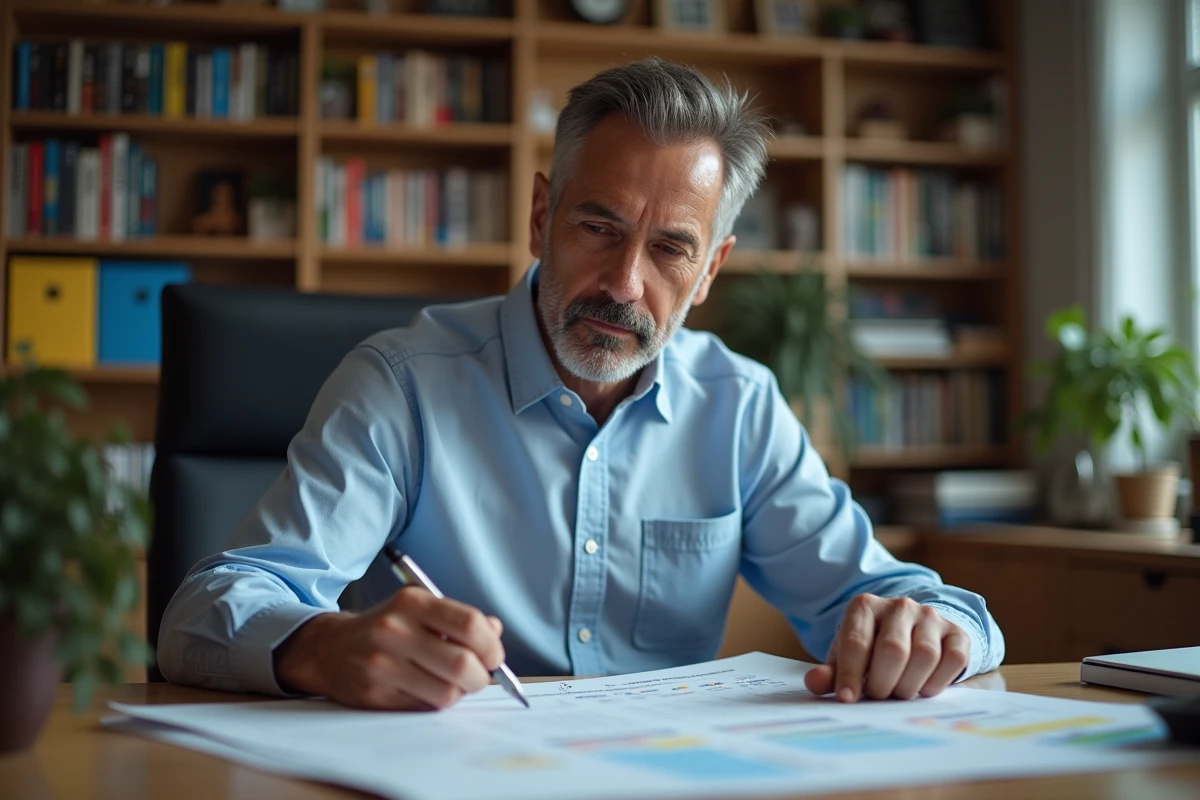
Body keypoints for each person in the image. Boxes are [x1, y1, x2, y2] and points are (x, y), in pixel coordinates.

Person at [158, 58, 1004, 711]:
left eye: (670, 248)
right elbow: (203, 614)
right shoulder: (403, 386)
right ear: (540, 217)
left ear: (710, 271)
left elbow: (885, 596)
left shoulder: (738, 406)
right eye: (598, 227)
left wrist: (938, 630)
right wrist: (320, 646)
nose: (625, 284)